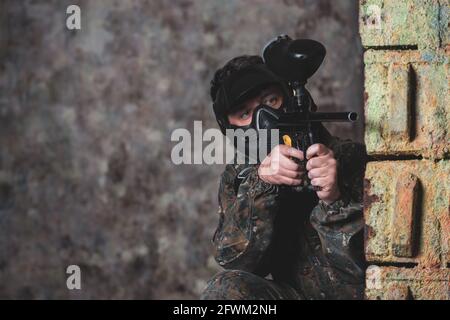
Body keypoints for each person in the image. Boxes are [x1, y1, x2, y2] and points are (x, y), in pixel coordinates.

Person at [201, 55, 367, 300]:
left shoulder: (351, 158)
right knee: (225, 291)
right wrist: (262, 186)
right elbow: (236, 260)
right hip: (293, 295)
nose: (264, 119)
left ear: (295, 98)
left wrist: (335, 200)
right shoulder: (241, 177)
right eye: (245, 114)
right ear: (230, 130)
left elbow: (365, 269)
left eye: (271, 100)